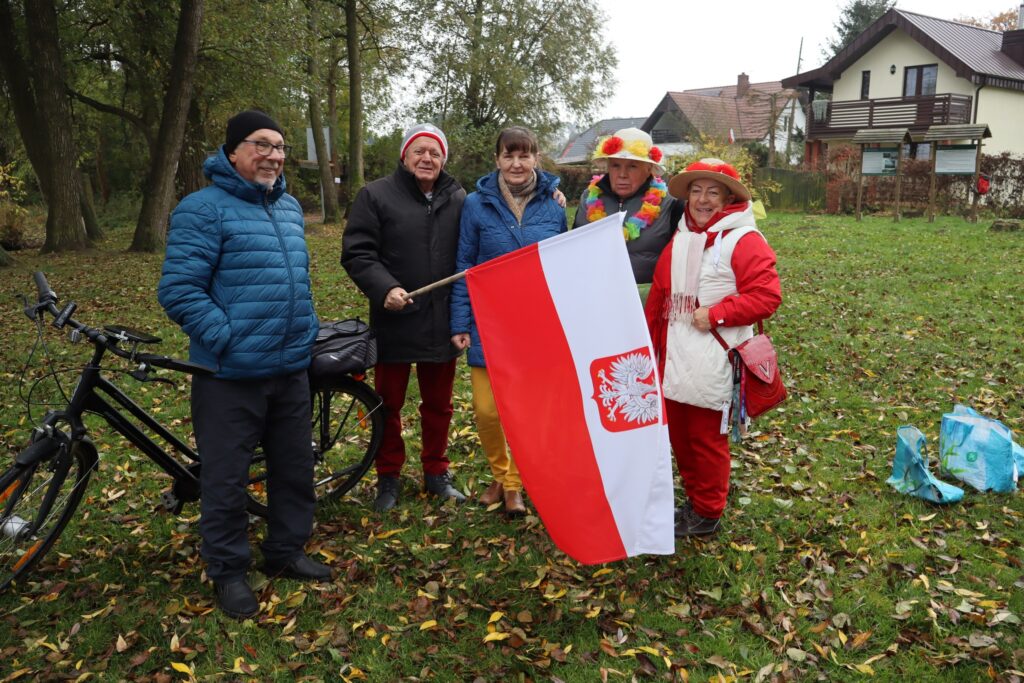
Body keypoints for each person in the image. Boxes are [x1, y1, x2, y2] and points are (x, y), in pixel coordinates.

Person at [158, 109, 330, 620]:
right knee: (226, 480)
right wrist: (226, 338)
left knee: (295, 467)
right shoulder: (202, 209)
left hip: (290, 368)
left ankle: (285, 551)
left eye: (279, 147)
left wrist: (306, 327)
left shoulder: (290, 208)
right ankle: (229, 571)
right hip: (229, 375)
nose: (273, 156)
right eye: (261, 145)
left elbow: (294, 279)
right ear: (233, 151)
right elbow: (180, 290)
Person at [645, 159, 781, 537]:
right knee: (680, 436)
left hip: (714, 356)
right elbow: (661, 295)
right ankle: (694, 499)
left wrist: (717, 314)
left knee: (706, 439)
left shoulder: (743, 239)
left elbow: (767, 296)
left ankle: (708, 512)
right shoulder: (683, 234)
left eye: (713, 192)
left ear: (728, 199)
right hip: (673, 355)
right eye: (696, 190)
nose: (703, 200)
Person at [342, 123, 468, 512]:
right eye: (419, 151)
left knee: (439, 405)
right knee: (387, 403)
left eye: (434, 152)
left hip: (441, 321)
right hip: (395, 320)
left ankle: (435, 473)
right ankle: (388, 477)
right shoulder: (375, 195)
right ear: (405, 155)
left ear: (443, 158)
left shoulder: (459, 197)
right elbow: (358, 252)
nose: (426, 158)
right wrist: (384, 288)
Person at [449, 127, 567, 517]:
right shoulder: (475, 205)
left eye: (524, 155)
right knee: (486, 409)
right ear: (497, 159)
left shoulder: (554, 204)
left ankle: (512, 484)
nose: (516, 164)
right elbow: (465, 264)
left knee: (526, 409)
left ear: (536, 158)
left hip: (536, 323)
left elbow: (562, 264)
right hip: (490, 321)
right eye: (508, 156)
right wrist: (460, 321)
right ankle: (501, 473)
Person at [571, 127, 674, 288]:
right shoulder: (588, 198)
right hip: (595, 291)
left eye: (632, 166)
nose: (622, 174)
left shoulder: (669, 204)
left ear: (648, 170)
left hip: (647, 299)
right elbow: (575, 250)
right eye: (616, 165)